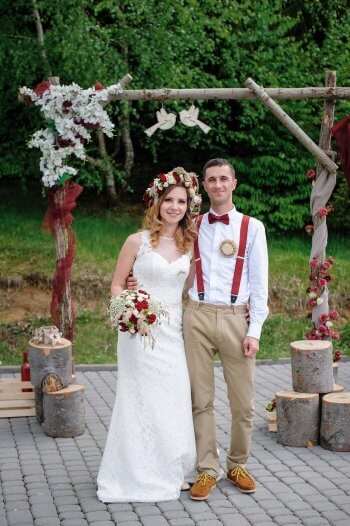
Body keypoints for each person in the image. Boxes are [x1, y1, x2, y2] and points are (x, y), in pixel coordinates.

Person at [97, 167, 201, 503]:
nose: (174, 206)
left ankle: (170, 466)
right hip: (138, 334)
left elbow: (186, 288)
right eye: (169, 199)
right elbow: (116, 283)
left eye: (181, 201)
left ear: (188, 206)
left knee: (172, 397)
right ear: (157, 202)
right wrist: (129, 308)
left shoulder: (190, 244)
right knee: (139, 398)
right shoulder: (137, 241)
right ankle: (135, 469)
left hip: (172, 333)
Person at [184, 158, 269, 500]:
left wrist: (255, 330)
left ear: (234, 183)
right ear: (203, 186)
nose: (217, 185)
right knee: (200, 399)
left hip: (237, 319)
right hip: (198, 316)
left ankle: (237, 464)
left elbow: (260, 285)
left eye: (223, 179)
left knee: (243, 402)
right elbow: (173, 267)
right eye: (211, 180)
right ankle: (207, 468)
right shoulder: (191, 225)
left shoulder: (253, 228)